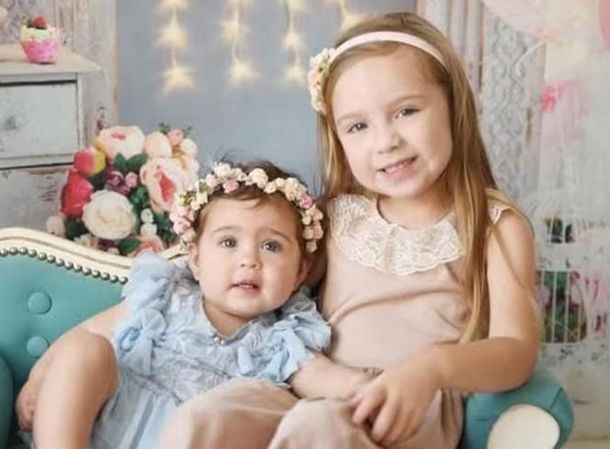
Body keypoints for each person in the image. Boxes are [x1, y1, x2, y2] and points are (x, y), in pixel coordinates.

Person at [157, 11, 540, 449]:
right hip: (320, 389)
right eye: (358, 126)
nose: (386, 141)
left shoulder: (493, 227)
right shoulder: (338, 218)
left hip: (407, 409)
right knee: (210, 415)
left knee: (317, 427)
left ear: (453, 106)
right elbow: (266, 284)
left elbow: (516, 350)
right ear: (338, 138)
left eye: (406, 111)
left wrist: (431, 369)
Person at [15, 160, 331, 449]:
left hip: (194, 438)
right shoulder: (166, 296)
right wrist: (39, 377)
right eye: (228, 242)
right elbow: (85, 334)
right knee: (88, 349)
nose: (249, 260)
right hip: (108, 425)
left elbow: (325, 379)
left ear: (300, 272)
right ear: (195, 259)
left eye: (271, 246)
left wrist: (360, 385)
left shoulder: (285, 337)